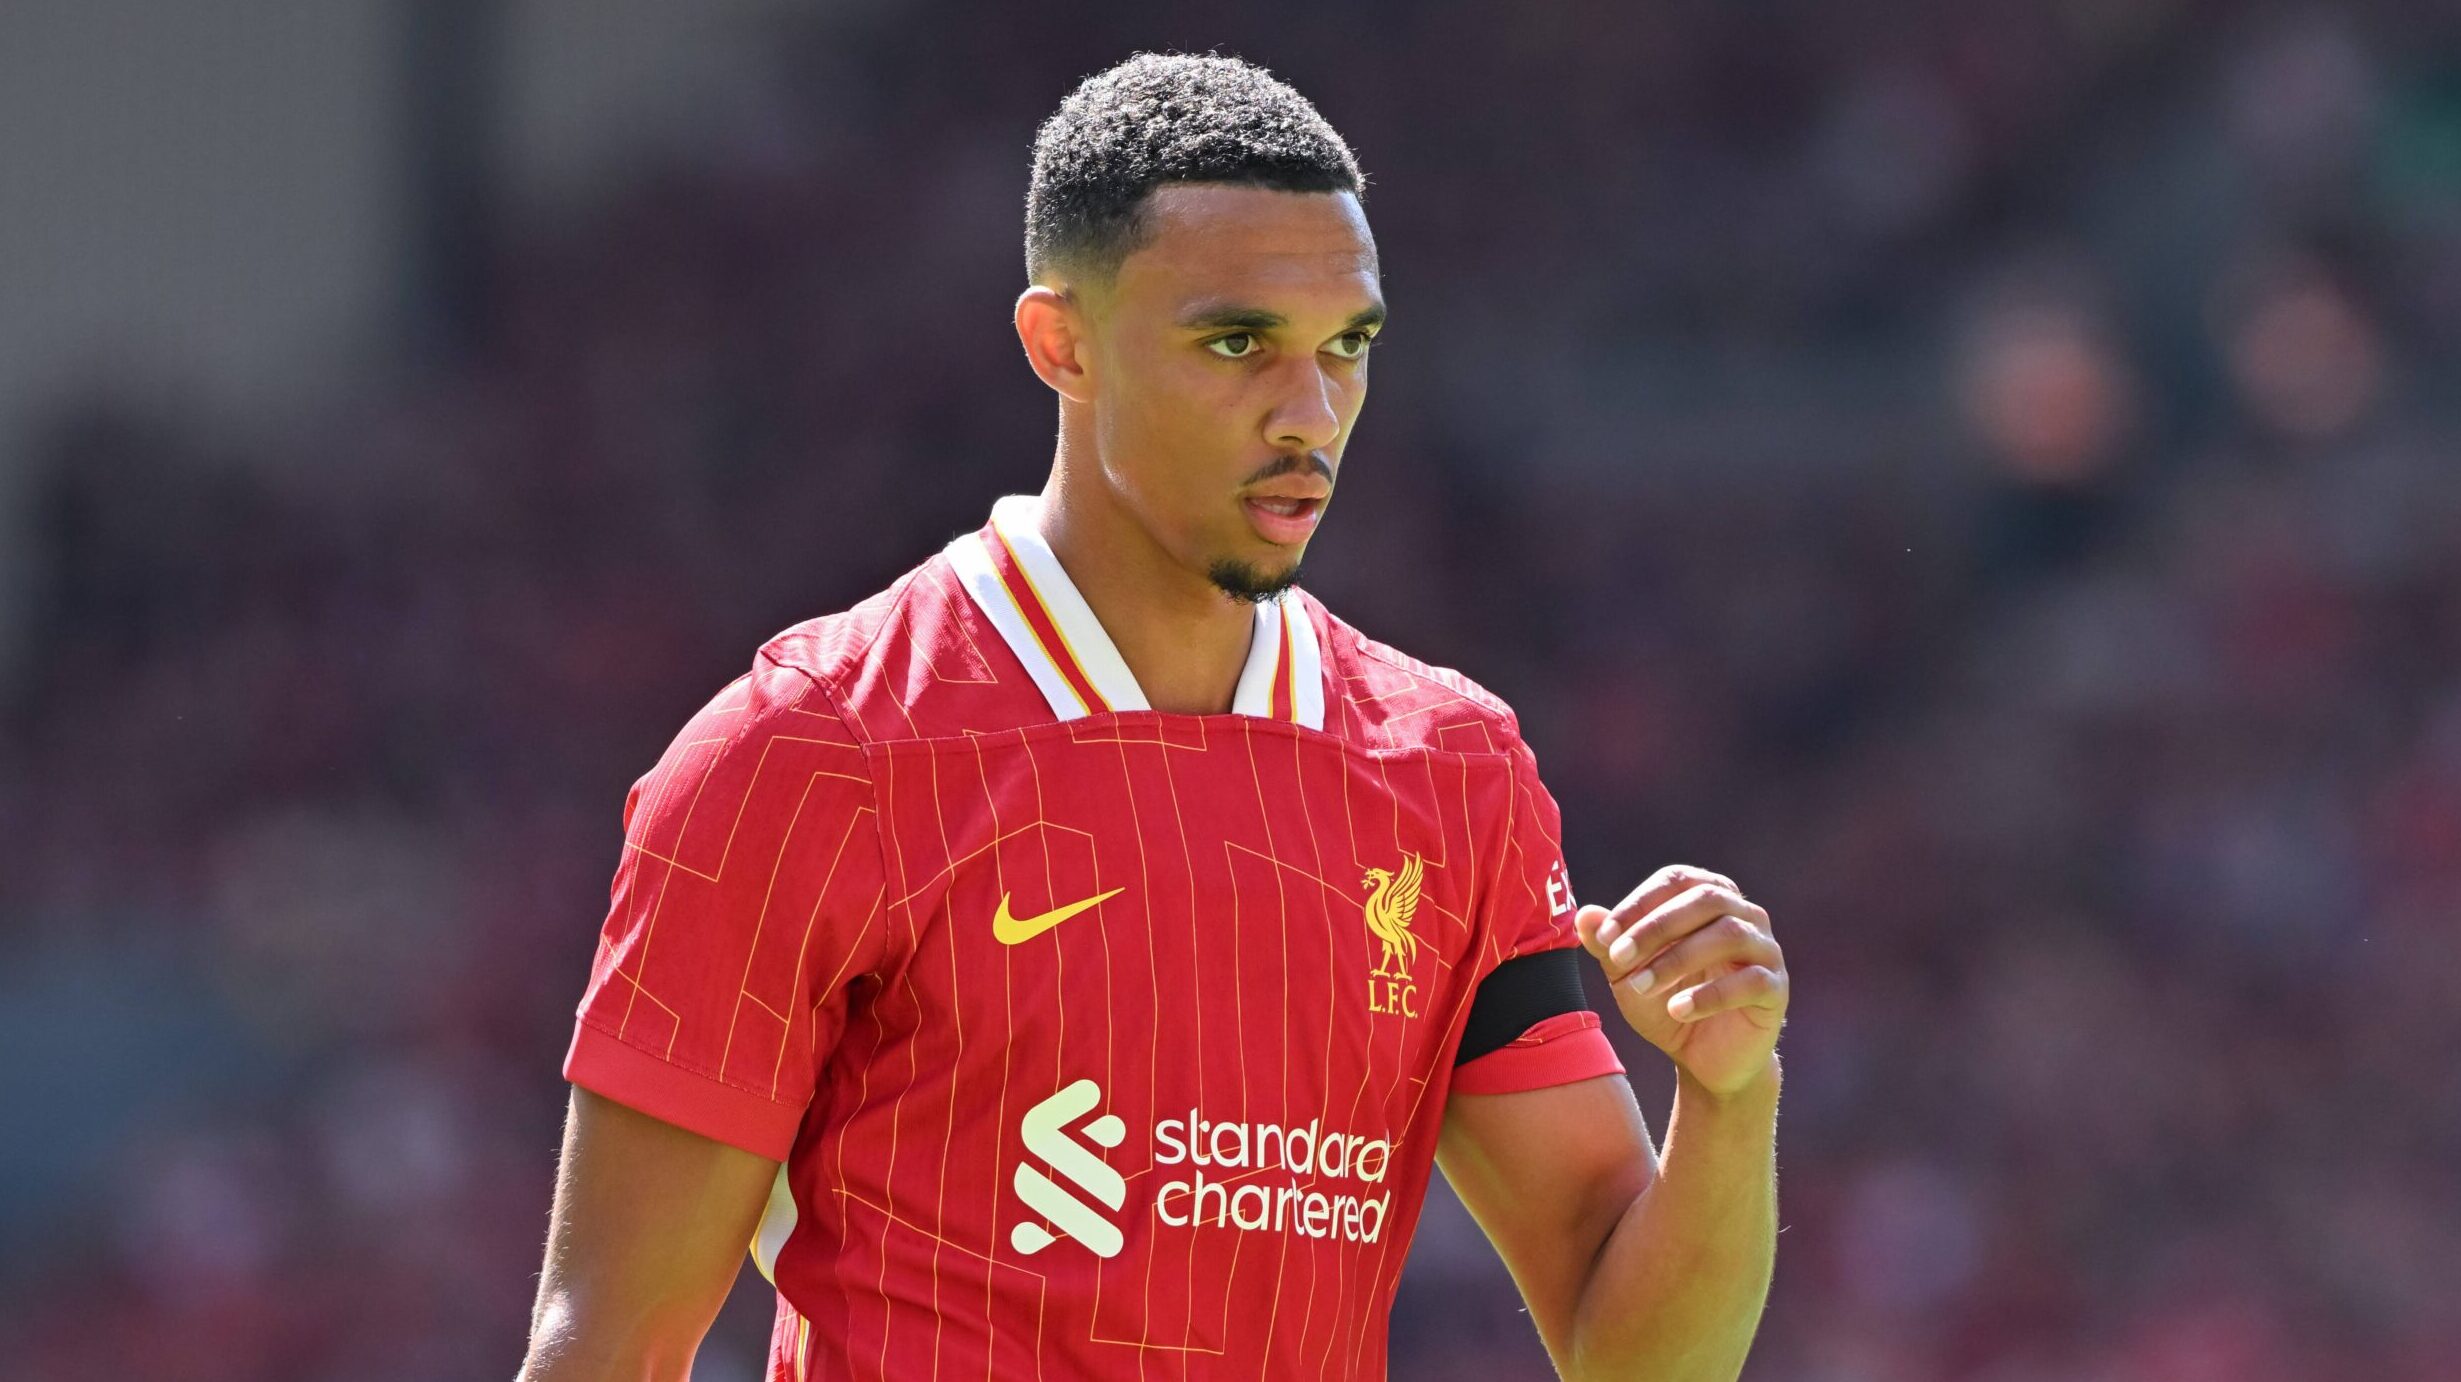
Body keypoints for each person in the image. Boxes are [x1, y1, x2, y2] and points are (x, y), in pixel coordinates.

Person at [518, 51, 1788, 1382]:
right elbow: (600, 1347)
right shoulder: (808, 750)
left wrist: (1727, 1093)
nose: (1309, 413)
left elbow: (1641, 1356)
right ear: (1060, 343)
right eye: (1236, 342)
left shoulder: (1451, 768)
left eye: (1344, 346)